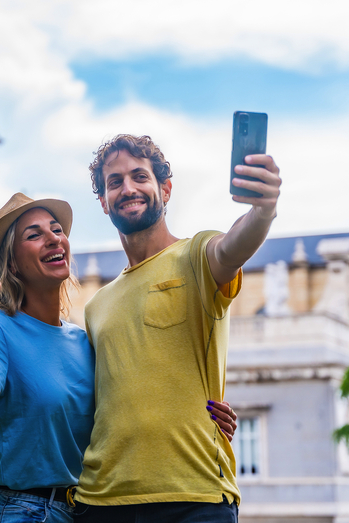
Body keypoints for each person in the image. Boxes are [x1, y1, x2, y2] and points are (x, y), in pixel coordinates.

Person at [0, 193, 238, 523]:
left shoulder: (84, 341)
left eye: (56, 230)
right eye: (34, 234)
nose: (53, 239)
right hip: (21, 511)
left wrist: (201, 418)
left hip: (86, 510)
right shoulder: (0, 330)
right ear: (12, 263)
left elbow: (126, 411)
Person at [72, 134, 282, 523]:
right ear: (103, 201)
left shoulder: (196, 256)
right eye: (114, 182)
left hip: (194, 495)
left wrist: (263, 210)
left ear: (164, 189)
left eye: (140, 176)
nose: (128, 188)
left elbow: (233, 246)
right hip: (100, 501)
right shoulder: (96, 305)